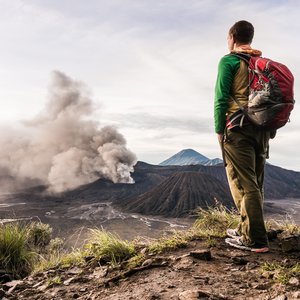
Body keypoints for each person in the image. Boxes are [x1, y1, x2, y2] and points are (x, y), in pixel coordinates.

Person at [214, 20, 271, 253]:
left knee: (243, 183)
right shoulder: (261, 63)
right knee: (256, 181)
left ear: (232, 37)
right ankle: (248, 228)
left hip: (237, 128)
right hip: (262, 129)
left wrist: (219, 129)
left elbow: (220, 98)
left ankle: (255, 240)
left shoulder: (229, 61)